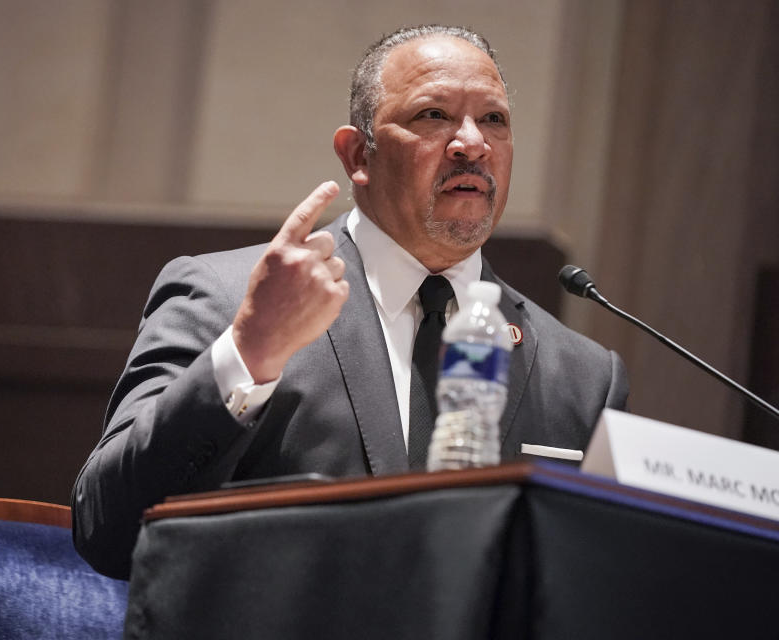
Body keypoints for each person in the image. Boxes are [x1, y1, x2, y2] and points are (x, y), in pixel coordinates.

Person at [72, 25, 629, 579]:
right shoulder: (227, 297)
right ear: (359, 154)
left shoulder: (581, 378)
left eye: (494, 120)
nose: (472, 143)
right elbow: (108, 528)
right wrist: (249, 350)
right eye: (432, 115)